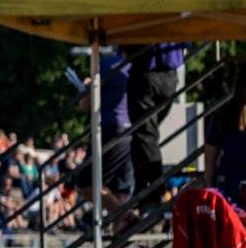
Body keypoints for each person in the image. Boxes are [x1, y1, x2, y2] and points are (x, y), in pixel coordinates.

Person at [73, 50, 136, 234]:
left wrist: (86, 89)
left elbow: (86, 104)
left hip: (110, 130)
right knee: (120, 193)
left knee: (85, 185)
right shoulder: (139, 65)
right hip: (133, 129)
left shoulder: (106, 65)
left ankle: (127, 214)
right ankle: (117, 246)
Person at [122, 42, 187, 196]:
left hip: (144, 73)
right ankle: (144, 187)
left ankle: (154, 190)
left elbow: (126, 53)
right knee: (145, 134)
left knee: (145, 134)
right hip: (169, 77)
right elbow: (184, 49)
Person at [203, 70, 246, 208]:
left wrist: (211, 187)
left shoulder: (223, 115)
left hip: (229, 182)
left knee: (229, 221)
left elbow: (210, 156)